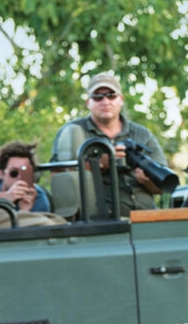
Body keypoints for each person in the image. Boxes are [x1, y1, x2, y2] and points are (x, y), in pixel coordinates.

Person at [50, 72, 167, 216]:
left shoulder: (141, 134)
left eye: (111, 95)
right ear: (88, 102)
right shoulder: (73, 132)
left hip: (146, 218)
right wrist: (98, 164)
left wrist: (146, 180)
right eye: (98, 97)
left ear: (121, 100)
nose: (105, 101)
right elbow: (58, 176)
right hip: (101, 222)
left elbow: (163, 186)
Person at [0, 141, 51, 213]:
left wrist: (24, 211)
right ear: (1, 174)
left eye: (25, 172)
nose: (19, 177)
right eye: (14, 173)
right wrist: (6, 197)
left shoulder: (38, 198)